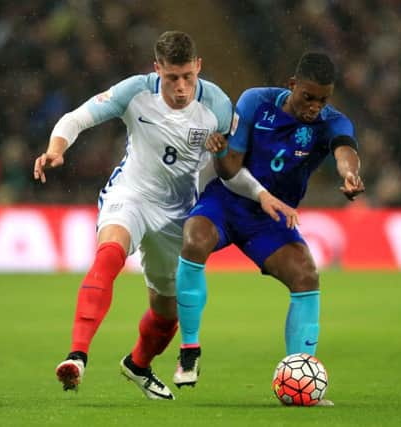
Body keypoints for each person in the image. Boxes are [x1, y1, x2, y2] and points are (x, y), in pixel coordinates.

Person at [33, 31, 245, 400]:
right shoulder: (135, 91)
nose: (180, 87)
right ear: (157, 68)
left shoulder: (219, 105)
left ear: (198, 67)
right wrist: (56, 148)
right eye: (171, 78)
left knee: (166, 316)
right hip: (131, 194)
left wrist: (222, 151)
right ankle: (77, 356)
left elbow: (230, 164)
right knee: (109, 255)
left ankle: (138, 364)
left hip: (178, 213)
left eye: (187, 77)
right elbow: (76, 118)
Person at [172, 53, 365, 402]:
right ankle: (189, 349)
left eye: (323, 99)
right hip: (227, 202)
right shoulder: (256, 101)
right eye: (308, 97)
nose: (315, 107)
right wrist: (261, 195)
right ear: (292, 85)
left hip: (271, 221)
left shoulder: (330, 122)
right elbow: (229, 168)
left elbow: (344, 150)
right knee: (194, 240)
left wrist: (350, 173)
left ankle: (300, 376)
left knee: (306, 275)